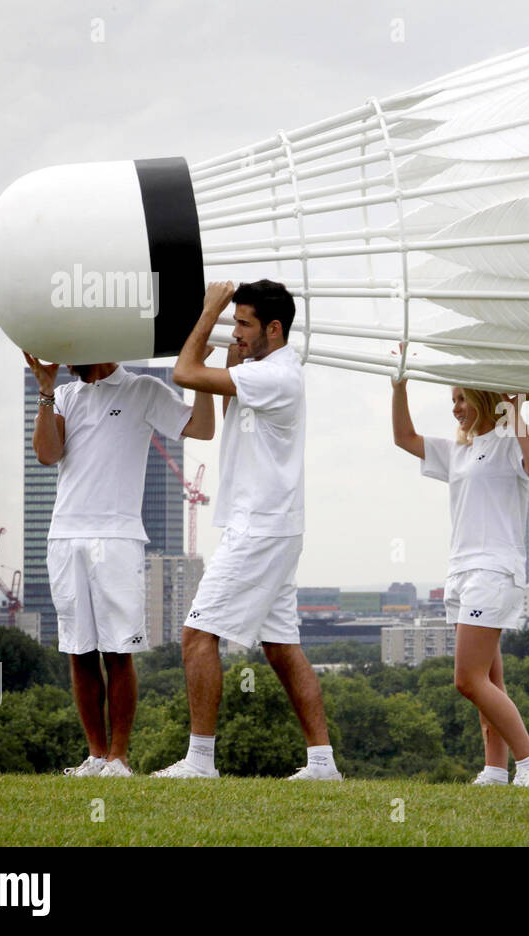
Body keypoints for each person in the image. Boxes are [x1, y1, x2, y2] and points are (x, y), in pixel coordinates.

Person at [152, 279, 340, 781]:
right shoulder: (266, 371)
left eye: (243, 323)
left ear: (273, 329)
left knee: (196, 635)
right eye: (233, 321)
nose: (235, 332)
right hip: (270, 525)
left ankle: (200, 761)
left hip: (260, 528)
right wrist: (227, 342)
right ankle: (322, 764)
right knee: (281, 646)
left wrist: (207, 313)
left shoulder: (276, 375)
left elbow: (184, 371)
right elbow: (217, 406)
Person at [26, 351, 215, 777]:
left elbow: (202, 428)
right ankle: (95, 756)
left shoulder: (142, 389)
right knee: (79, 652)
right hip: (65, 536)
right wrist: (45, 391)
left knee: (118, 651)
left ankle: (119, 758)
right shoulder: (68, 395)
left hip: (118, 538)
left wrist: (201, 375)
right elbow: (47, 454)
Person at [392, 373, 529, 787]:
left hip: (494, 571)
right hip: (462, 573)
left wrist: (515, 412)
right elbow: (404, 438)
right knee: (489, 680)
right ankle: (496, 770)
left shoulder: (508, 441)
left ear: (483, 398)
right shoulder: (457, 451)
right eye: (452, 400)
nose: (456, 408)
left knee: (467, 680)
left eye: (463, 398)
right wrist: (399, 387)